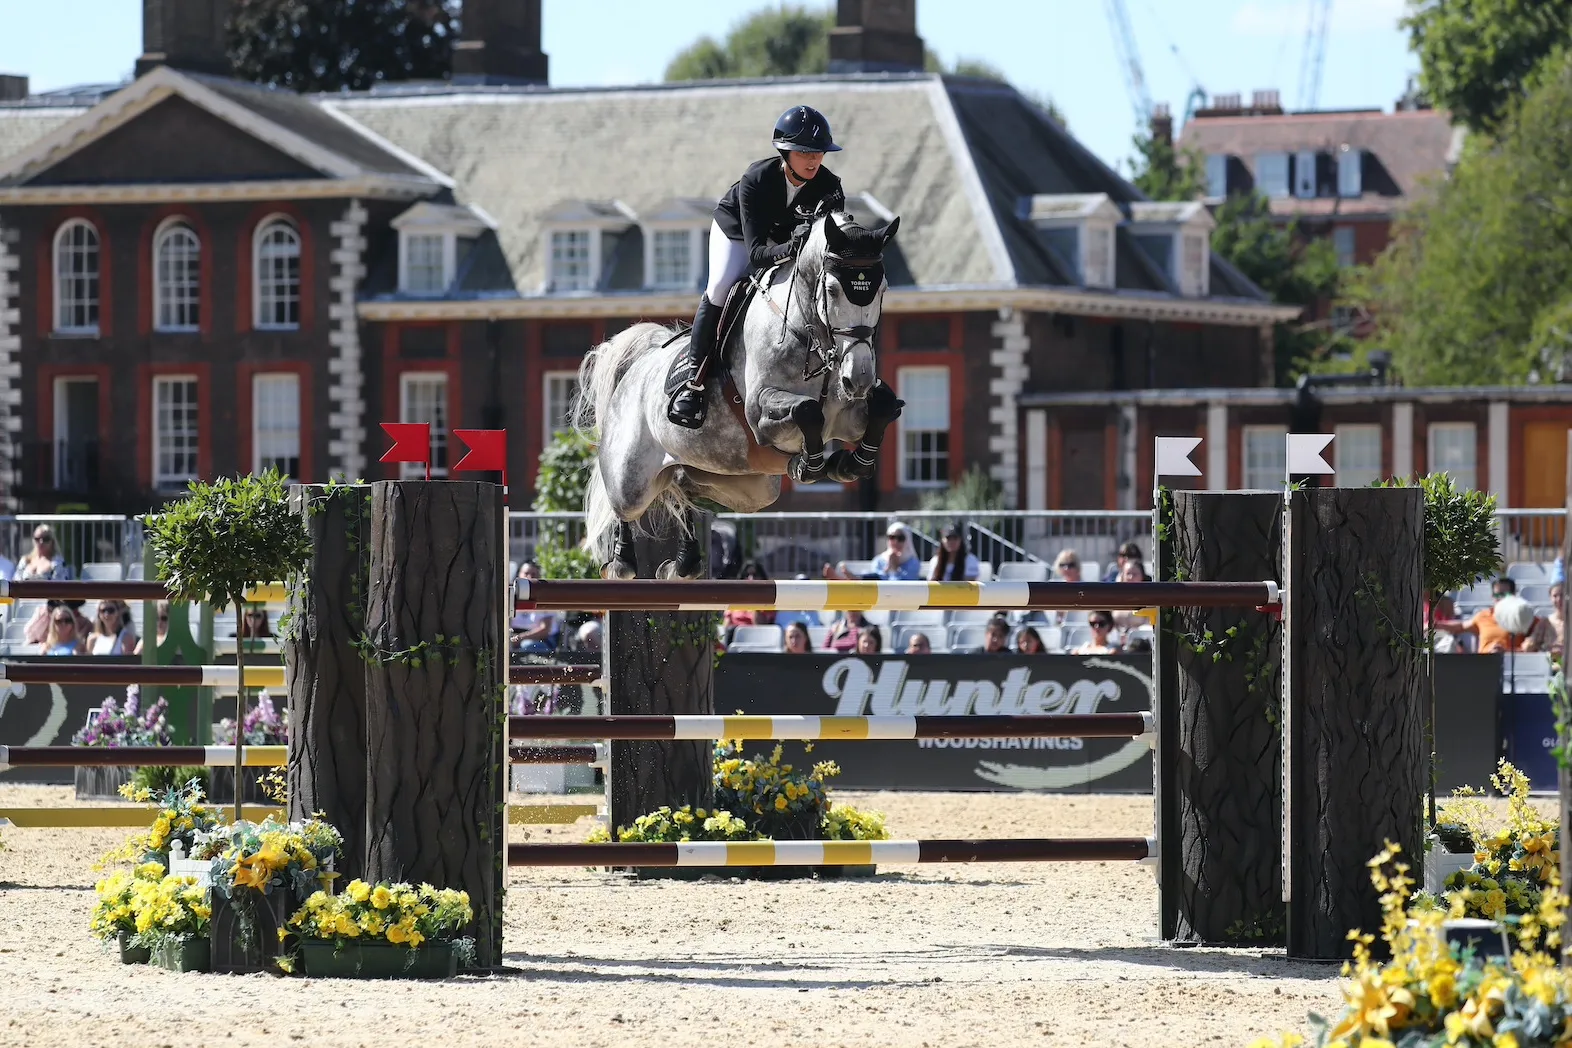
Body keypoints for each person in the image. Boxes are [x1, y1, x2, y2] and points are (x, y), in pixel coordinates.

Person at [666, 105, 846, 429]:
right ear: (785, 151)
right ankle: (693, 382)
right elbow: (758, 253)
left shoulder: (830, 189)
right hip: (738, 232)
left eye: (819, 152)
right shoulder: (757, 179)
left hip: (787, 243)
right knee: (721, 285)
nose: (813, 159)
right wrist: (793, 246)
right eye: (804, 152)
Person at [1463, 577, 1536, 655]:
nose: (1501, 598)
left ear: (1514, 595)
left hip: (1512, 664)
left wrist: (1505, 652)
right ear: (1492, 596)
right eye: (1497, 595)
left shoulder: (1524, 616)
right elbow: (1458, 627)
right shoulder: (1482, 616)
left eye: (1505, 595)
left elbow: (1530, 650)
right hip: (1483, 664)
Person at [830, 521, 923, 581]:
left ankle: (855, 580)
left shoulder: (913, 562)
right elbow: (877, 581)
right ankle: (851, 580)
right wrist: (887, 570)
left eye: (900, 538)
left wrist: (894, 569)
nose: (895, 542)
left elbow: (903, 588)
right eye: (891, 537)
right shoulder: (879, 560)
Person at [510, 561, 559, 654]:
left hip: (540, 640)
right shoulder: (510, 596)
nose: (529, 577)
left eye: (533, 574)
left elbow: (544, 630)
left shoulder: (545, 598)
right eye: (526, 573)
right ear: (519, 574)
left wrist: (520, 638)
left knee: (528, 646)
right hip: (514, 637)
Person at [1526, 581, 1564, 657]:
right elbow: (1528, 647)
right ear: (1550, 598)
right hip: (1552, 662)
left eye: (1562, 595)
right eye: (1555, 596)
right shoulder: (1545, 623)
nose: (1559, 599)